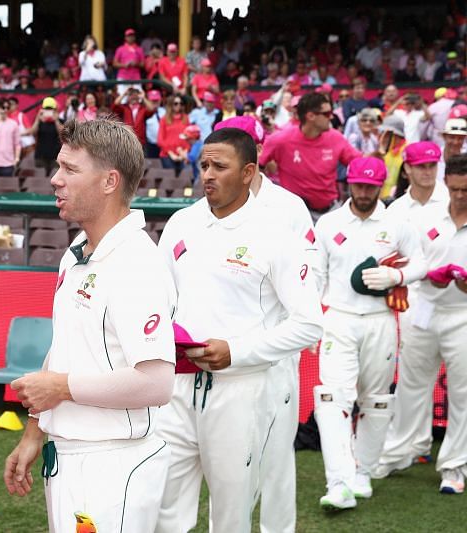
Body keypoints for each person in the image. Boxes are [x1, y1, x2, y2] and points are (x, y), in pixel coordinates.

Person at [3, 118, 176, 532]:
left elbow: (156, 384)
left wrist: (61, 387)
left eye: (70, 169)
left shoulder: (137, 263)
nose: (55, 179)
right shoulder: (76, 254)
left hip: (114, 462)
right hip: (70, 456)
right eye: (58, 167)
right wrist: (34, 431)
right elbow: (63, 348)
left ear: (109, 181)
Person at [155, 128, 323, 533]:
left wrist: (238, 351)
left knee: (230, 512)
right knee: (163, 506)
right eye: (203, 165)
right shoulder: (181, 222)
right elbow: (159, 298)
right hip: (176, 388)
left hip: (241, 391)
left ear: (248, 172)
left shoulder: (276, 233)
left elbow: (309, 323)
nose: (208, 175)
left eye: (220, 166)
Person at [214, 116, 318, 533]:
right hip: (222, 360)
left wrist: (292, 332)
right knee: (229, 473)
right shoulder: (207, 208)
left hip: (274, 354)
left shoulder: (288, 207)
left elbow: (312, 272)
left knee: (276, 461)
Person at [313, 156, 426, 510]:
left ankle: (363, 473)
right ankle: (339, 482)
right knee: (332, 398)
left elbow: (420, 262)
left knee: (377, 399)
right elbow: (316, 277)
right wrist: (313, 320)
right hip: (340, 318)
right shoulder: (329, 224)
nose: (363, 192)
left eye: (370, 186)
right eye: (358, 185)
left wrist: (398, 277)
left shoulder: (397, 222)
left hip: (380, 319)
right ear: (348, 184)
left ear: (381, 187)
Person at [376, 154, 467, 494]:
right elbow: (412, 262)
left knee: (463, 393)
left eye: (465, 190)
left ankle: (454, 466)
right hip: (425, 308)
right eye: (455, 188)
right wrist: (428, 276)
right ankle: (400, 452)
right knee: (411, 385)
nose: (459, 196)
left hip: (463, 314)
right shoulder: (427, 217)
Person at [260, 92, 361, 220]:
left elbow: (360, 163)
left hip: (330, 212)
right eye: (327, 113)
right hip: (295, 215)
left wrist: (378, 155)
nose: (331, 117)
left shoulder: (336, 137)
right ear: (311, 116)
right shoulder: (281, 139)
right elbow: (256, 166)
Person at [28, 97, 62, 175]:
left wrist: (56, 120)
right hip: (41, 155)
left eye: (51, 109)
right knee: (40, 179)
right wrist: (37, 119)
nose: (49, 111)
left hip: (55, 156)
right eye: (47, 109)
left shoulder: (59, 120)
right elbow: (33, 132)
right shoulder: (39, 120)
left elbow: (62, 134)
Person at [157, 95, 189, 174]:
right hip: (168, 155)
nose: (179, 106)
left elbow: (189, 136)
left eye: (181, 103)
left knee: (185, 180)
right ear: (171, 105)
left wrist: (184, 152)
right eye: (176, 103)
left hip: (183, 154)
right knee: (169, 181)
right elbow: (160, 140)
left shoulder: (186, 118)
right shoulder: (164, 119)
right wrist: (171, 154)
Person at [112, 28, 145, 95]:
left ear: (134, 37)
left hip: (135, 77)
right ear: (125, 38)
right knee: (122, 97)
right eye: (129, 36)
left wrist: (135, 64)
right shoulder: (120, 49)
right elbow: (114, 63)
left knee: (138, 97)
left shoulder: (139, 49)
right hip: (123, 76)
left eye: (132, 36)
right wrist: (124, 65)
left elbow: (143, 64)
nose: (130, 37)